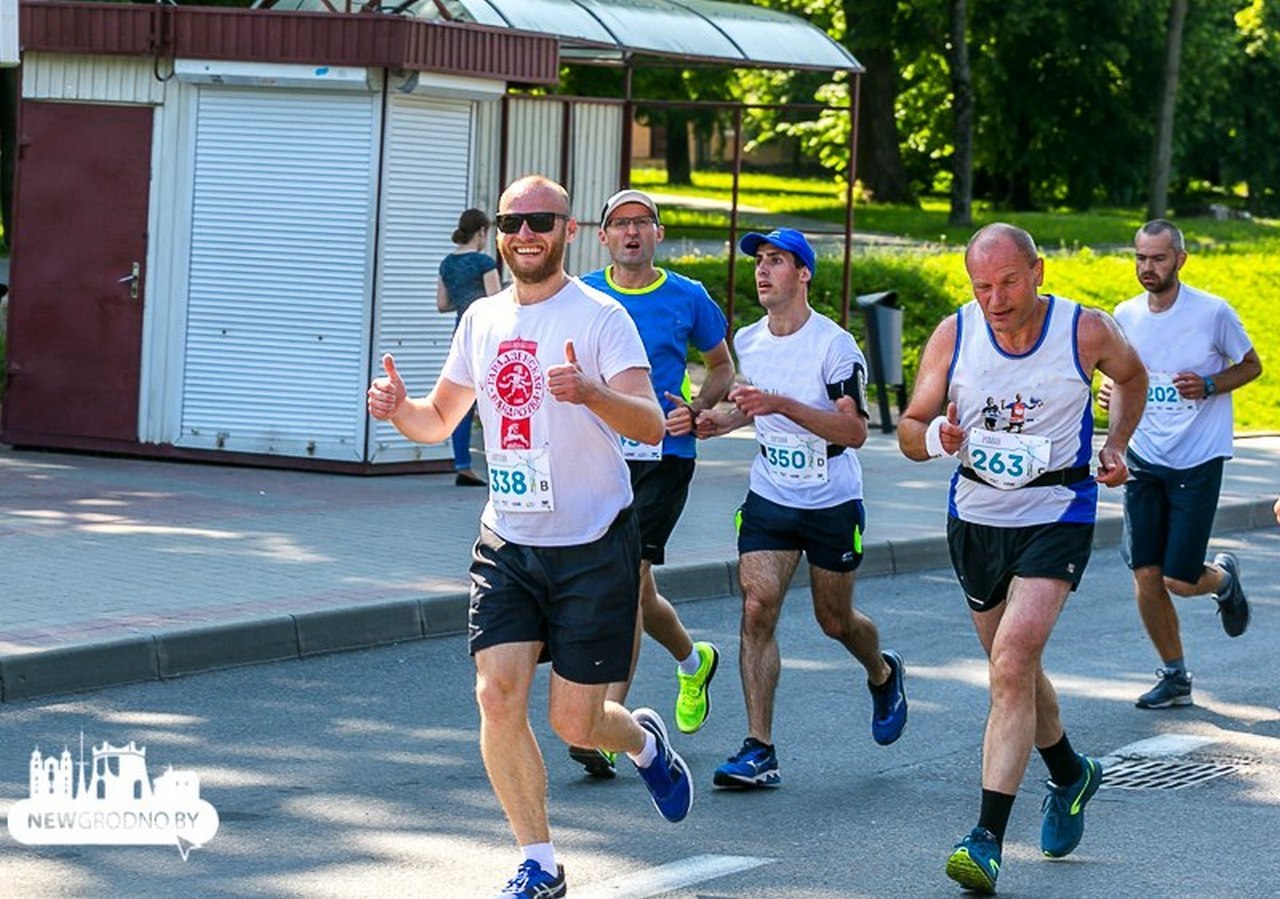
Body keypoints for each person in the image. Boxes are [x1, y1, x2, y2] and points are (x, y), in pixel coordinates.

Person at [367, 175, 693, 899]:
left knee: (575, 722)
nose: (524, 233)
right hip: (508, 542)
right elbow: (437, 420)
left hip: (591, 542)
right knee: (496, 693)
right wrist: (399, 411)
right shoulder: (481, 318)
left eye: (539, 220)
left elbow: (649, 422)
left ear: (567, 230)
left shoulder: (602, 316)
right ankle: (539, 860)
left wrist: (592, 393)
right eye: (512, 221)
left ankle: (642, 742)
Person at [898, 223, 1147, 893]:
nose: (996, 299)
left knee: (1011, 661)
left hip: (1057, 510)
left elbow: (1132, 377)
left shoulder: (1084, 330)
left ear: (1037, 271)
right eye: (982, 286)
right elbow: (909, 427)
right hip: (977, 516)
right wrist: (936, 438)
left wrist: (1117, 442)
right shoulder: (955, 334)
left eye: (1008, 282)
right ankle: (1070, 772)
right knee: (1014, 668)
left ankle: (984, 838)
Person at [695, 227, 909, 791]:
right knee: (756, 607)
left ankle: (882, 673)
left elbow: (855, 430)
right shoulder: (750, 338)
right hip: (771, 494)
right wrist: (713, 421)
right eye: (760, 261)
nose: (763, 271)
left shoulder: (834, 345)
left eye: (777, 261)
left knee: (834, 620)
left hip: (831, 499)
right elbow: (751, 409)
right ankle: (758, 747)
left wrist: (781, 404)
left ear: (804, 274)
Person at [562, 189, 736, 778]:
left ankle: (606, 719)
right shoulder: (581, 293)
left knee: (626, 577)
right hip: (597, 451)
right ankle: (693, 660)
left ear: (657, 234)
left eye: (642, 223)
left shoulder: (688, 296)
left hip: (664, 453)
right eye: (620, 224)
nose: (631, 232)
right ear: (603, 235)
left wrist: (700, 407)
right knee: (634, 588)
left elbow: (721, 365)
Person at [1098, 219, 1262, 710]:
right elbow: (1121, 379)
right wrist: (1110, 392)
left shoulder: (1212, 313)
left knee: (1178, 577)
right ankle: (1175, 676)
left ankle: (1224, 581)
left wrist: (1211, 384)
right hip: (1145, 458)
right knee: (1146, 574)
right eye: (1141, 258)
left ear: (1180, 260)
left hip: (1198, 456)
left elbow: (1251, 365)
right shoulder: (1124, 315)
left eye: (1159, 258)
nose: (1148, 268)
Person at [437, 208, 501, 486]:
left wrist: (465, 300)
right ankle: (501, 461)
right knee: (494, 399)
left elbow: (442, 305)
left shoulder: (447, 264)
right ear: (482, 232)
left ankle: (462, 463)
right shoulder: (483, 263)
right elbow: (498, 301)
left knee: (460, 400)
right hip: (486, 334)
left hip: (460, 330)